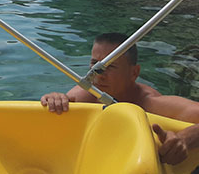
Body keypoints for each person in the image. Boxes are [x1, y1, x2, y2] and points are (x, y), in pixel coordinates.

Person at [40, 32, 199, 166]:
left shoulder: (150, 103)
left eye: (110, 66)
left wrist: (184, 139)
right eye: (95, 64)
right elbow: (64, 103)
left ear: (134, 73)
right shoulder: (90, 94)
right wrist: (56, 99)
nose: (98, 75)